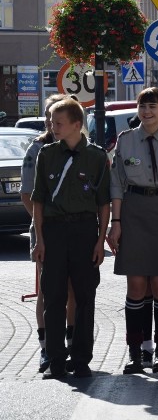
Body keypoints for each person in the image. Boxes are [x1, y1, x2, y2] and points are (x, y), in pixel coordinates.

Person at [108, 87, 158, 374]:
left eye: (153, 106)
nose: (147, 112)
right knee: (136, 285)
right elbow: (116, 184)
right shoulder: (125, 140)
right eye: (143, 106)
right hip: (133, 212)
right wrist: (115, 223)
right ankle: (136, 352)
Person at [32, 98, 111, 379]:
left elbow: (104, 203)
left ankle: (80, 359)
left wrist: (100, 241)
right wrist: (39, 239)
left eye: (58, 123)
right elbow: (38, 199)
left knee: (85, 296)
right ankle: (55, 359)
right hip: (53, 231)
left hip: (84, 230)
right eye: (52, 122)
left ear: (77, 125)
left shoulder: (97, 156)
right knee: (53, 296)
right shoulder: (47, 154)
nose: (53, 127)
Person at [21, 94, 76, 373]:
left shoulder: (81, 146)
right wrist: (43, 225)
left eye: (56, 115)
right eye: (48, 115)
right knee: (47, 290)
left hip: (75, 230)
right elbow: (26, 194)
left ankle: (71, 342)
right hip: (45, 230)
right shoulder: (37, 148)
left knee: (72, 289)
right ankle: (46, 348)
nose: (50, 121)